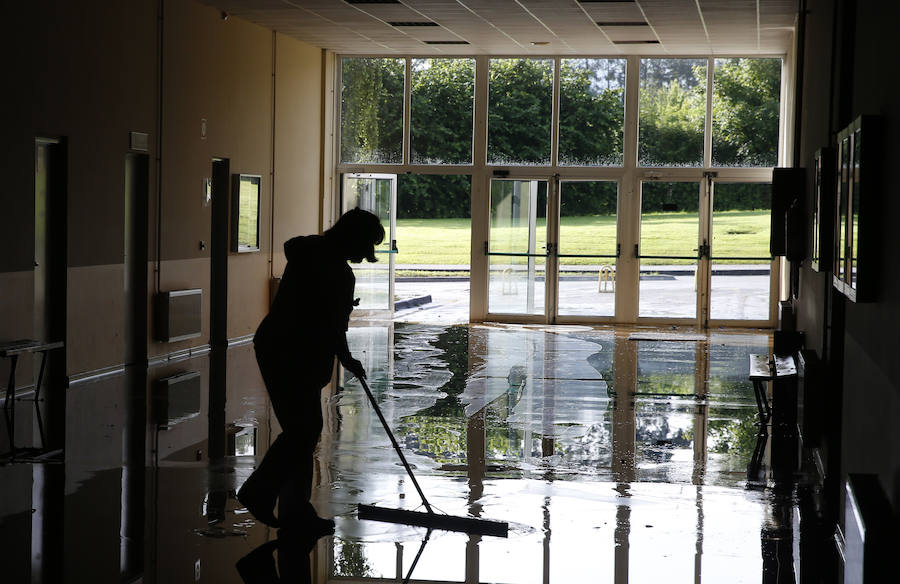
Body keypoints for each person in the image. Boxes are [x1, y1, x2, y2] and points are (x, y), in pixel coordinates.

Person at [237, 208, 385, 533]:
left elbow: (324, 315)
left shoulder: (308, 251)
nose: (365, 257)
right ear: (353, 238)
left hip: (278, 346)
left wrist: (343, 354)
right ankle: (259, 492)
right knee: (303, 430)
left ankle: (293, 511)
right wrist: (347, 359)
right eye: (365, 247)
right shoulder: (337, 272)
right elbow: (333, 327)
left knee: (302, 430)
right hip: (293, 354)